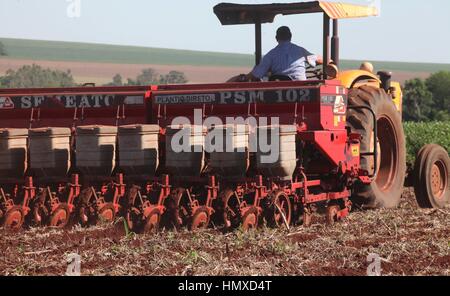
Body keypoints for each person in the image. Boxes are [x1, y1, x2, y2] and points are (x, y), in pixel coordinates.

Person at [237, 26, 323, 82]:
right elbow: (317, 58)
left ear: (276, 38)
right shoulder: (300, 51)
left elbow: (257, 74)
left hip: (278, 90)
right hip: (301, 89)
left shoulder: (270, 55)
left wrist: (243, 77)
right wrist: (329, 61)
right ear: (290, 36)